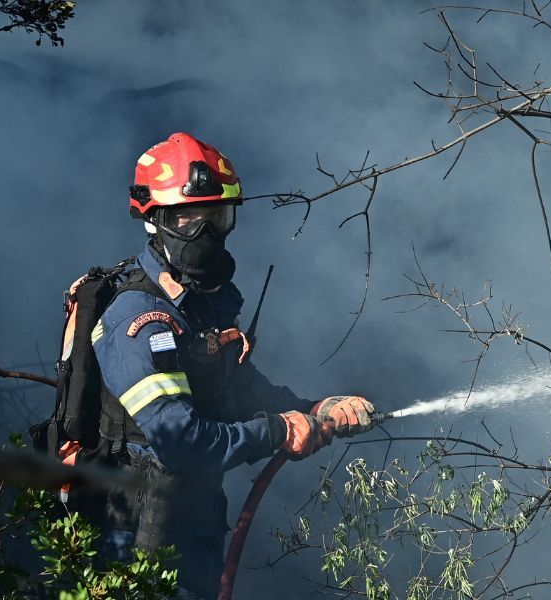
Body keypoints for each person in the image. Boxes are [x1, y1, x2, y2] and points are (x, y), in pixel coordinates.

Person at [90, 132, 377, 599]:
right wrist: (278, 431)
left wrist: (315, 408)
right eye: (189, 218)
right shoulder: (140, 319)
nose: (205, 232)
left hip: (197, 523)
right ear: (154, 221)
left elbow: (241, 391)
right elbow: (178, 439)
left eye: (215, 217)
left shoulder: (200, 305)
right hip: (136, 534)